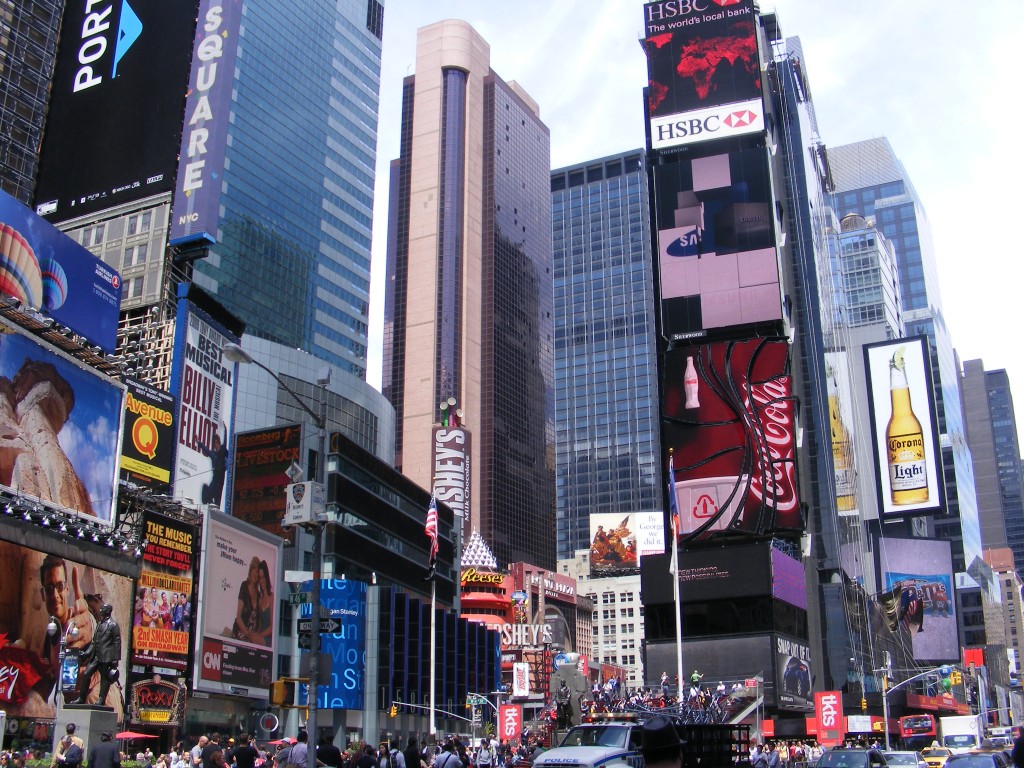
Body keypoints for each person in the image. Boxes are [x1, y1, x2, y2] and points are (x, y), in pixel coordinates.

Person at [73, 603, 122, 705]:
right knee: (86, 674)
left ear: (108, 611)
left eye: (103, 609)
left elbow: (117, 642)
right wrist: (86, 653)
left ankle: (101, 699)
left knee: (104, 678)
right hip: (96, 655)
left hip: (107, 657)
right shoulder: (99, 624)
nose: (101, 610)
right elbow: (94, 642)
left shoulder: (113, 625)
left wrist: (115, 659)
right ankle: (82, 698)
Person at [232, 558, 261, 643]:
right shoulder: (244, 586)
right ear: (250, 570)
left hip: (252, 638)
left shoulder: (259, 595)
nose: (255, 574)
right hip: (240, 633)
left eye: (257, 572)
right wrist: (247, 634)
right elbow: (238, 617)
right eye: (254, 570)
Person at [199, 428, 229, 507]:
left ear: (219, 443)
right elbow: (206, 450)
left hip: (220, 483)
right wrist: (198, 442)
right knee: (205, 498)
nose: (216, 444)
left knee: (217, 505)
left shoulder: (222, 452)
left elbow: (225, 442)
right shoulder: (213, 454)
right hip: (215, 481)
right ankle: (210, 500)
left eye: (217, 442)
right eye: (214, 443)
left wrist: (225, 429)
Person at [256, 560, 275, 647]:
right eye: (259, 578)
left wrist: (259, 636)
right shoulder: (259, 599)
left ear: (267, 578)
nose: (261, 581)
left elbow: (272, 627)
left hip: (267, 639)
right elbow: (259, 624)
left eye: (263, 577)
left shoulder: (272, 597)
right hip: (258, 637)